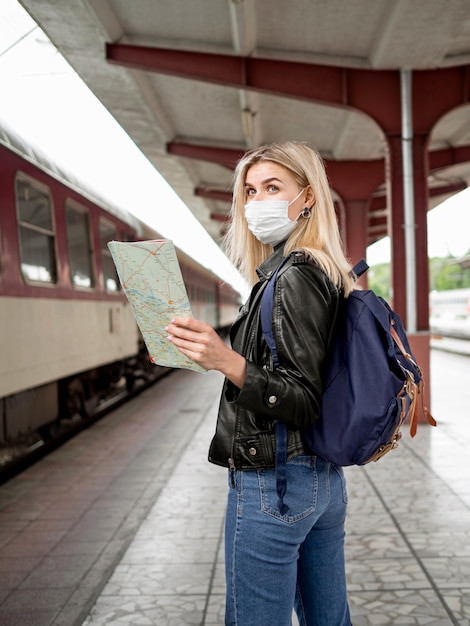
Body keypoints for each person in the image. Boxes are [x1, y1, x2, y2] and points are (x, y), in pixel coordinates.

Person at [165, 141, 355, 626]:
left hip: (277, 483)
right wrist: (213, 357)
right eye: (249, 191)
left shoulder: (295, 275)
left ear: (307, 196)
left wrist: (227, 361)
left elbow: (301, 398)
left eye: (273, 187)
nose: (256, 203)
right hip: (317, 479)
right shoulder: (316, 270)